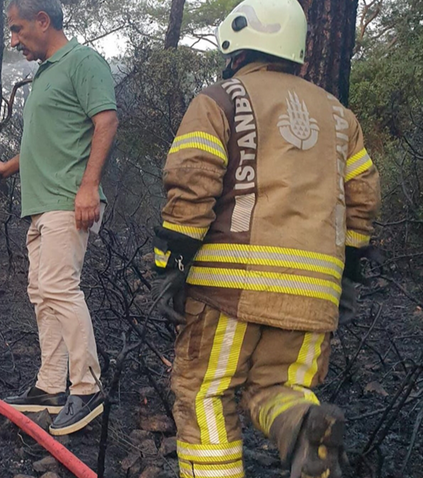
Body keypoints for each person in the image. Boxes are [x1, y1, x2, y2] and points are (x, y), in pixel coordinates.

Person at [152, 0, 380, 476]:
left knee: (204, 393)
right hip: (315, 296)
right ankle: (303, 426)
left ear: (236, 48)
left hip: (230, 291)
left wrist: (170, 270)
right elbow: (362, 199)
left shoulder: (219, 99)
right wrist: (349, 278)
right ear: (298, 54)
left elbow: (192, 185)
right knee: (278, 389)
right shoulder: (342, 118)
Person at [0, 0, 118, 436]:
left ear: (43, 21)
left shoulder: (82, 61)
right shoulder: (44, 75)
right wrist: (7, 165)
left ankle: (88, 387)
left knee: (59, 288)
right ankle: (50, 388)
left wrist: (89, 186)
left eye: (19, 29)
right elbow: (46, 143)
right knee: (42, 293)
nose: (15, 40)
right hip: (41, 205)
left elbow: (107, 121)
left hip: (67, 200)